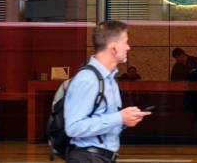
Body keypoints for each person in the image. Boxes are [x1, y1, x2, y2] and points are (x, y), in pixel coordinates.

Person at [64, 21, 151, 162]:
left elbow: (103, 118)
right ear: (114, 48)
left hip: (101, 157)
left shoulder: (109, 79)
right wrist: (119, 118)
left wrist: (125, 120)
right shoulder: (87, 79)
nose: (129, 47)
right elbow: (73, 127)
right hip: (88, 158)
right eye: (126, 42)